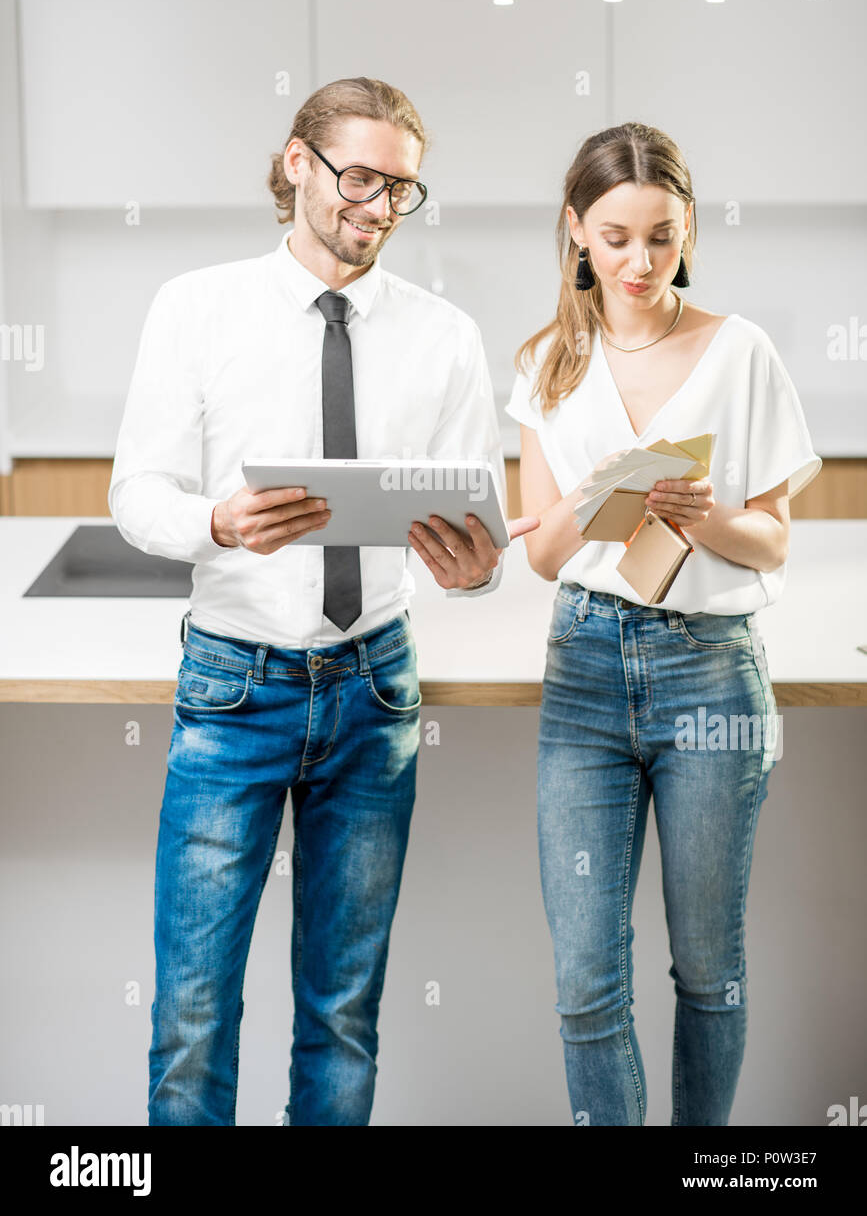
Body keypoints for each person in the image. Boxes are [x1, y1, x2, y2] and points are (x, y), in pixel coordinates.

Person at [109, 75, 537, 1126]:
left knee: (344, 1013)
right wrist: (215, 523)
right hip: (233, 687)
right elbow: (136, 494)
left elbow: (472, 536)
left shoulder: (443, 335)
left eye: (401, 188)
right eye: (359, 176)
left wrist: (471, 567)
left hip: (373, 689)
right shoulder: (196, 307)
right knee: (195, 1011)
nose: (378, 206)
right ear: (297, 162)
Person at [505, 120, 821, 1126]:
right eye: (616, 236)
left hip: (710, 675)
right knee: (587, 980)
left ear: (687, 231)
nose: (639, 261)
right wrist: (595, 496)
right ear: (575, 232)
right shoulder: (550, 361)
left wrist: (705, 517)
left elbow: (772, 541)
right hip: (587, 669)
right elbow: (548, 556)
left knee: (707, 966)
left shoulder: (739, 350)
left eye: (662, 235)